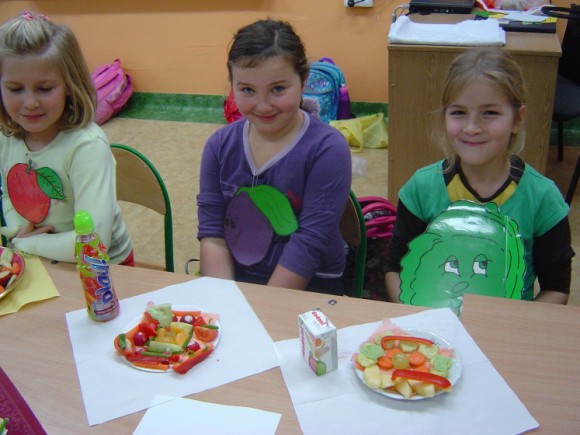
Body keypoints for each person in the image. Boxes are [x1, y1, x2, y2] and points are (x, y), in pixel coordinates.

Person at [385, 47, 574, 305]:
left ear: (517, 119)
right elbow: (395, 269)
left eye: (490, 113)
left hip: (506, 327)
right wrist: (420, 320)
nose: (472, 128)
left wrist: (513, 325)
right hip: (431, 324)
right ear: (444, 116)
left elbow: (556, 289)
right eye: (459, 112)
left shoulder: (543, 199)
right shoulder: (421, 188)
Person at [197, 18, 352, 294]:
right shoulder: (218, 146)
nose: (263, 105)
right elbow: (213, 234)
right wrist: (224, 300)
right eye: (247, 90)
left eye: (278, 89)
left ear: (303, 81)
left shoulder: (328, 149)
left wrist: (262, 307)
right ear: (232, 85)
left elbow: (309, 243)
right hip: (237, 278)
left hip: (311, 283)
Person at [0, 12, 134, 265]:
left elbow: (93, 242)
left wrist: (25, 244)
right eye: (15, 89)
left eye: (45, 88)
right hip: (41, 257)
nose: (30, 102)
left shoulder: (86, 146)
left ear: (69, 87)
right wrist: (20, 232)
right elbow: (7, 193)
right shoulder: (5, 137)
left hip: (104, 268)